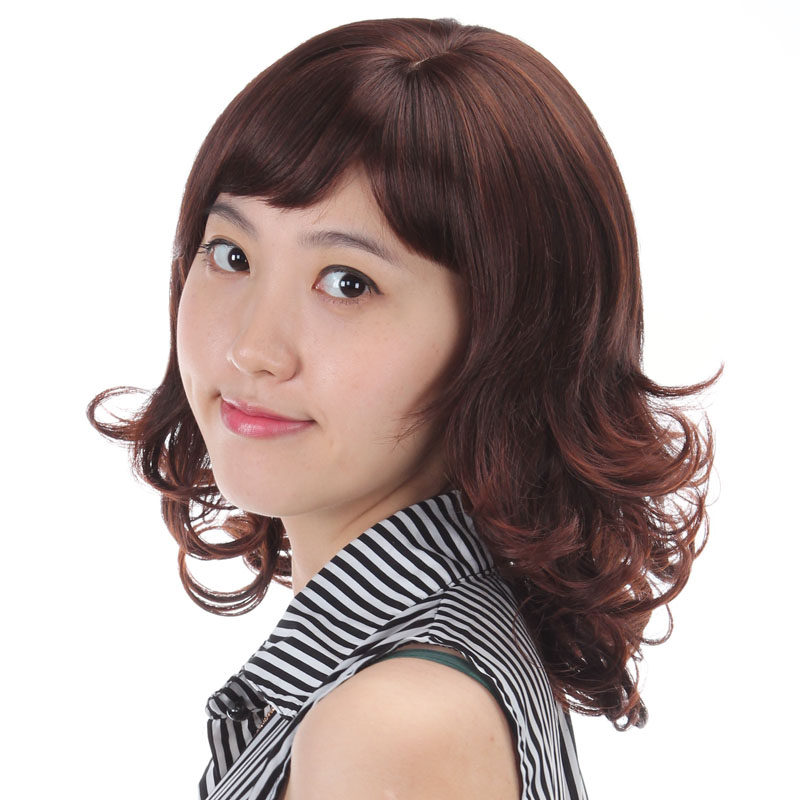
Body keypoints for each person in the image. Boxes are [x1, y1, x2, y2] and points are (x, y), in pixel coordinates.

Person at [86, 16, 718, 800]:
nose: (253, 348)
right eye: (232, 255)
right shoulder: (415, 659)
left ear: (502, 341)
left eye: (347, 283)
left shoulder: (392, 726)